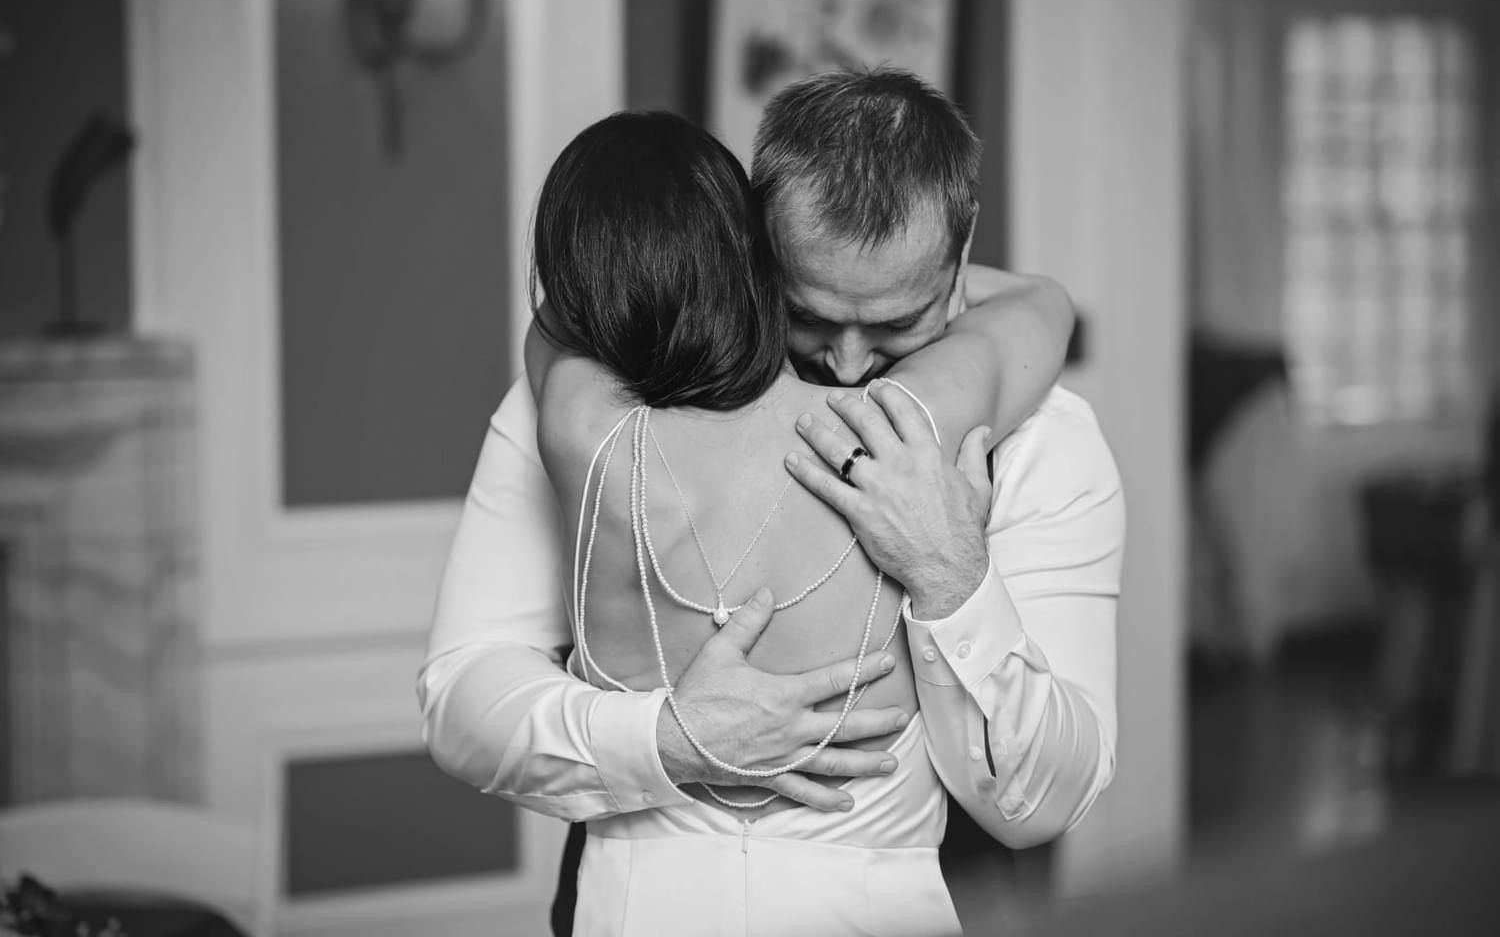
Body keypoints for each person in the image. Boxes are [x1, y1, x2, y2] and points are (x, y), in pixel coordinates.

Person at [419, 68, 1122, 932]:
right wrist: (667, 741)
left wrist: (953, 576)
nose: (855, 367)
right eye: (813, 319)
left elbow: (1045, 803)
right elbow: (461, 701)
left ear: (962, 259)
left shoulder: (1045, 439)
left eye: (897, 324)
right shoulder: (609, 392)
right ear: (756, 248)